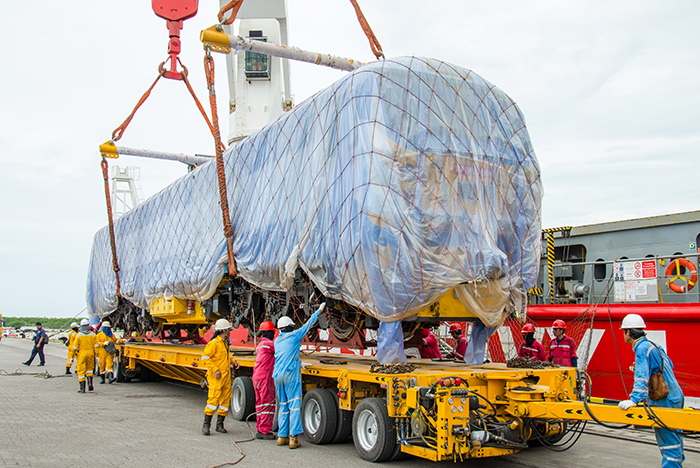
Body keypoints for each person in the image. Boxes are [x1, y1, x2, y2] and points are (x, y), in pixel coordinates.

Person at [618, 314, 684, 467]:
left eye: (623, 331)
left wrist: (634, 400)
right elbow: (669, 365)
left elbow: (641, 379)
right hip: (676, 395)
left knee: (668, 444)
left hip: (665, 399)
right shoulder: (653, 345)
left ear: (628, 332)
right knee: (675, 438)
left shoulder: (641, 348)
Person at [273, 303, 326, 449]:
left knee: (283, 406)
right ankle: (293, 438)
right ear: (289, 327)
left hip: (277, 375)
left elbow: (285, 355)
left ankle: (281, 437)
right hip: (290, 375)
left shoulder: (276, 340)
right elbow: (308, 325)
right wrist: (319, 310)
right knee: (295, 405)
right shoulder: (294, 336)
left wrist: (298, 361)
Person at [201, 318, 240, 436]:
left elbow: (224, 357)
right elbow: (205, 358)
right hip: (216, 378)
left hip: (225, 377)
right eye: (228, 330)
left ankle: (220, 425)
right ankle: (206, 425)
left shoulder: (224, 343)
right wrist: (215, 370)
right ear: (223, 330)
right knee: (213, 400)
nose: (229, 332)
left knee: (224, 401)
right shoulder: (214, 344)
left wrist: (233, 362)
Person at [253, 321, 276, 440]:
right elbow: (282, 352)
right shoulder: (270, 344)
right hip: (265, 377)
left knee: (260, 403)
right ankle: (265, 431)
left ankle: (259, 428)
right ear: (271, 333)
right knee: (268, 403)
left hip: (256, 376)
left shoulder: (260, 345)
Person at [73, 319, 97, 393]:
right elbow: (96, 346)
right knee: (90, 370)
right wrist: (97, 355)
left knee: (81, 371)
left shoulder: (79, 336)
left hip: (82, 354)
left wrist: (73, 355)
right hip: (91, 354)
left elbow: (74, 347)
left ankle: (82, 388)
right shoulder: (93, 335)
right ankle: (90, 384)